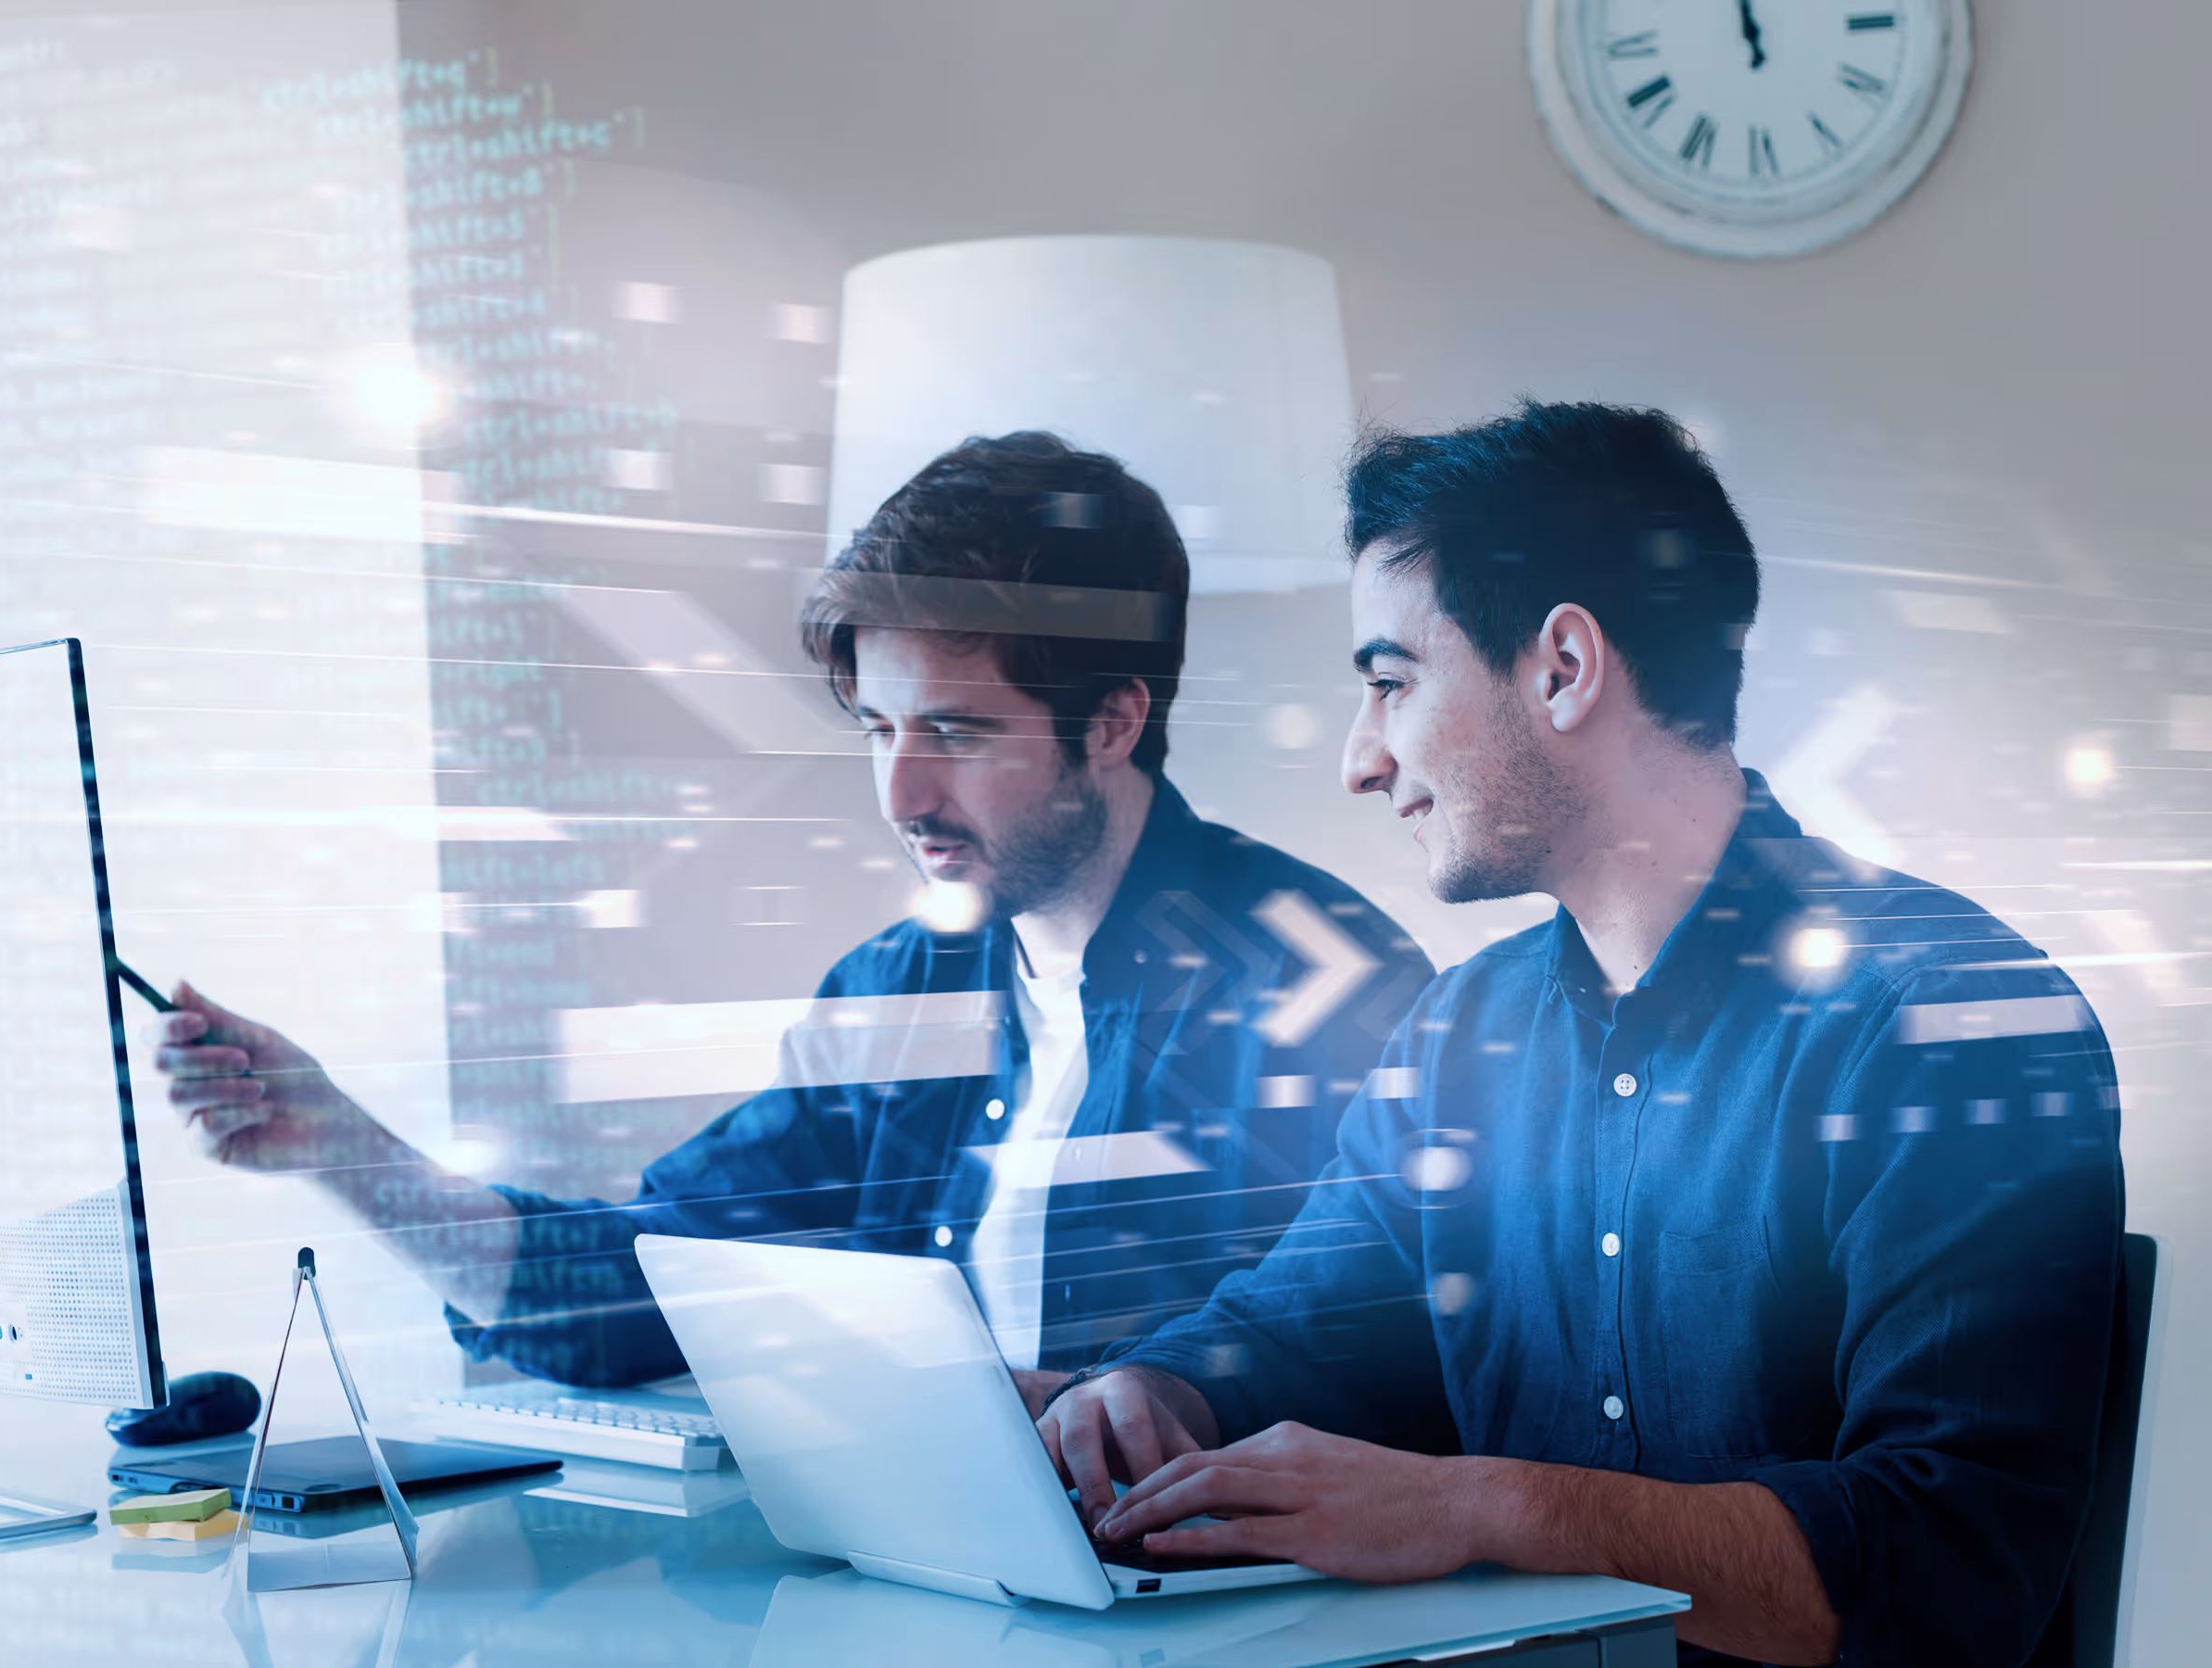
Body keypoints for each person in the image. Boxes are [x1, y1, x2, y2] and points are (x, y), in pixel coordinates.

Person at [1041, 403, 2124, 1667]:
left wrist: (1478, 1508)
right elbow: (1300, 1326)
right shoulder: (1463, 1030)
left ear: (1563, 667)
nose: (1361, 759)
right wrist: (1153, 1390)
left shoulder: (1952, 1023)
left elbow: (1946, 1568)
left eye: (1390, 682)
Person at [157, 431, 1434, 1399]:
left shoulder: (1316, 980)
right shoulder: (893, 992)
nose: (903, 792)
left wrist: (1149, 1404)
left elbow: (1388, 1350)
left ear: (1112, 720)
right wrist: (347, 1151)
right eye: (878, 729)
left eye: (956, 731)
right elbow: (650, 1279)